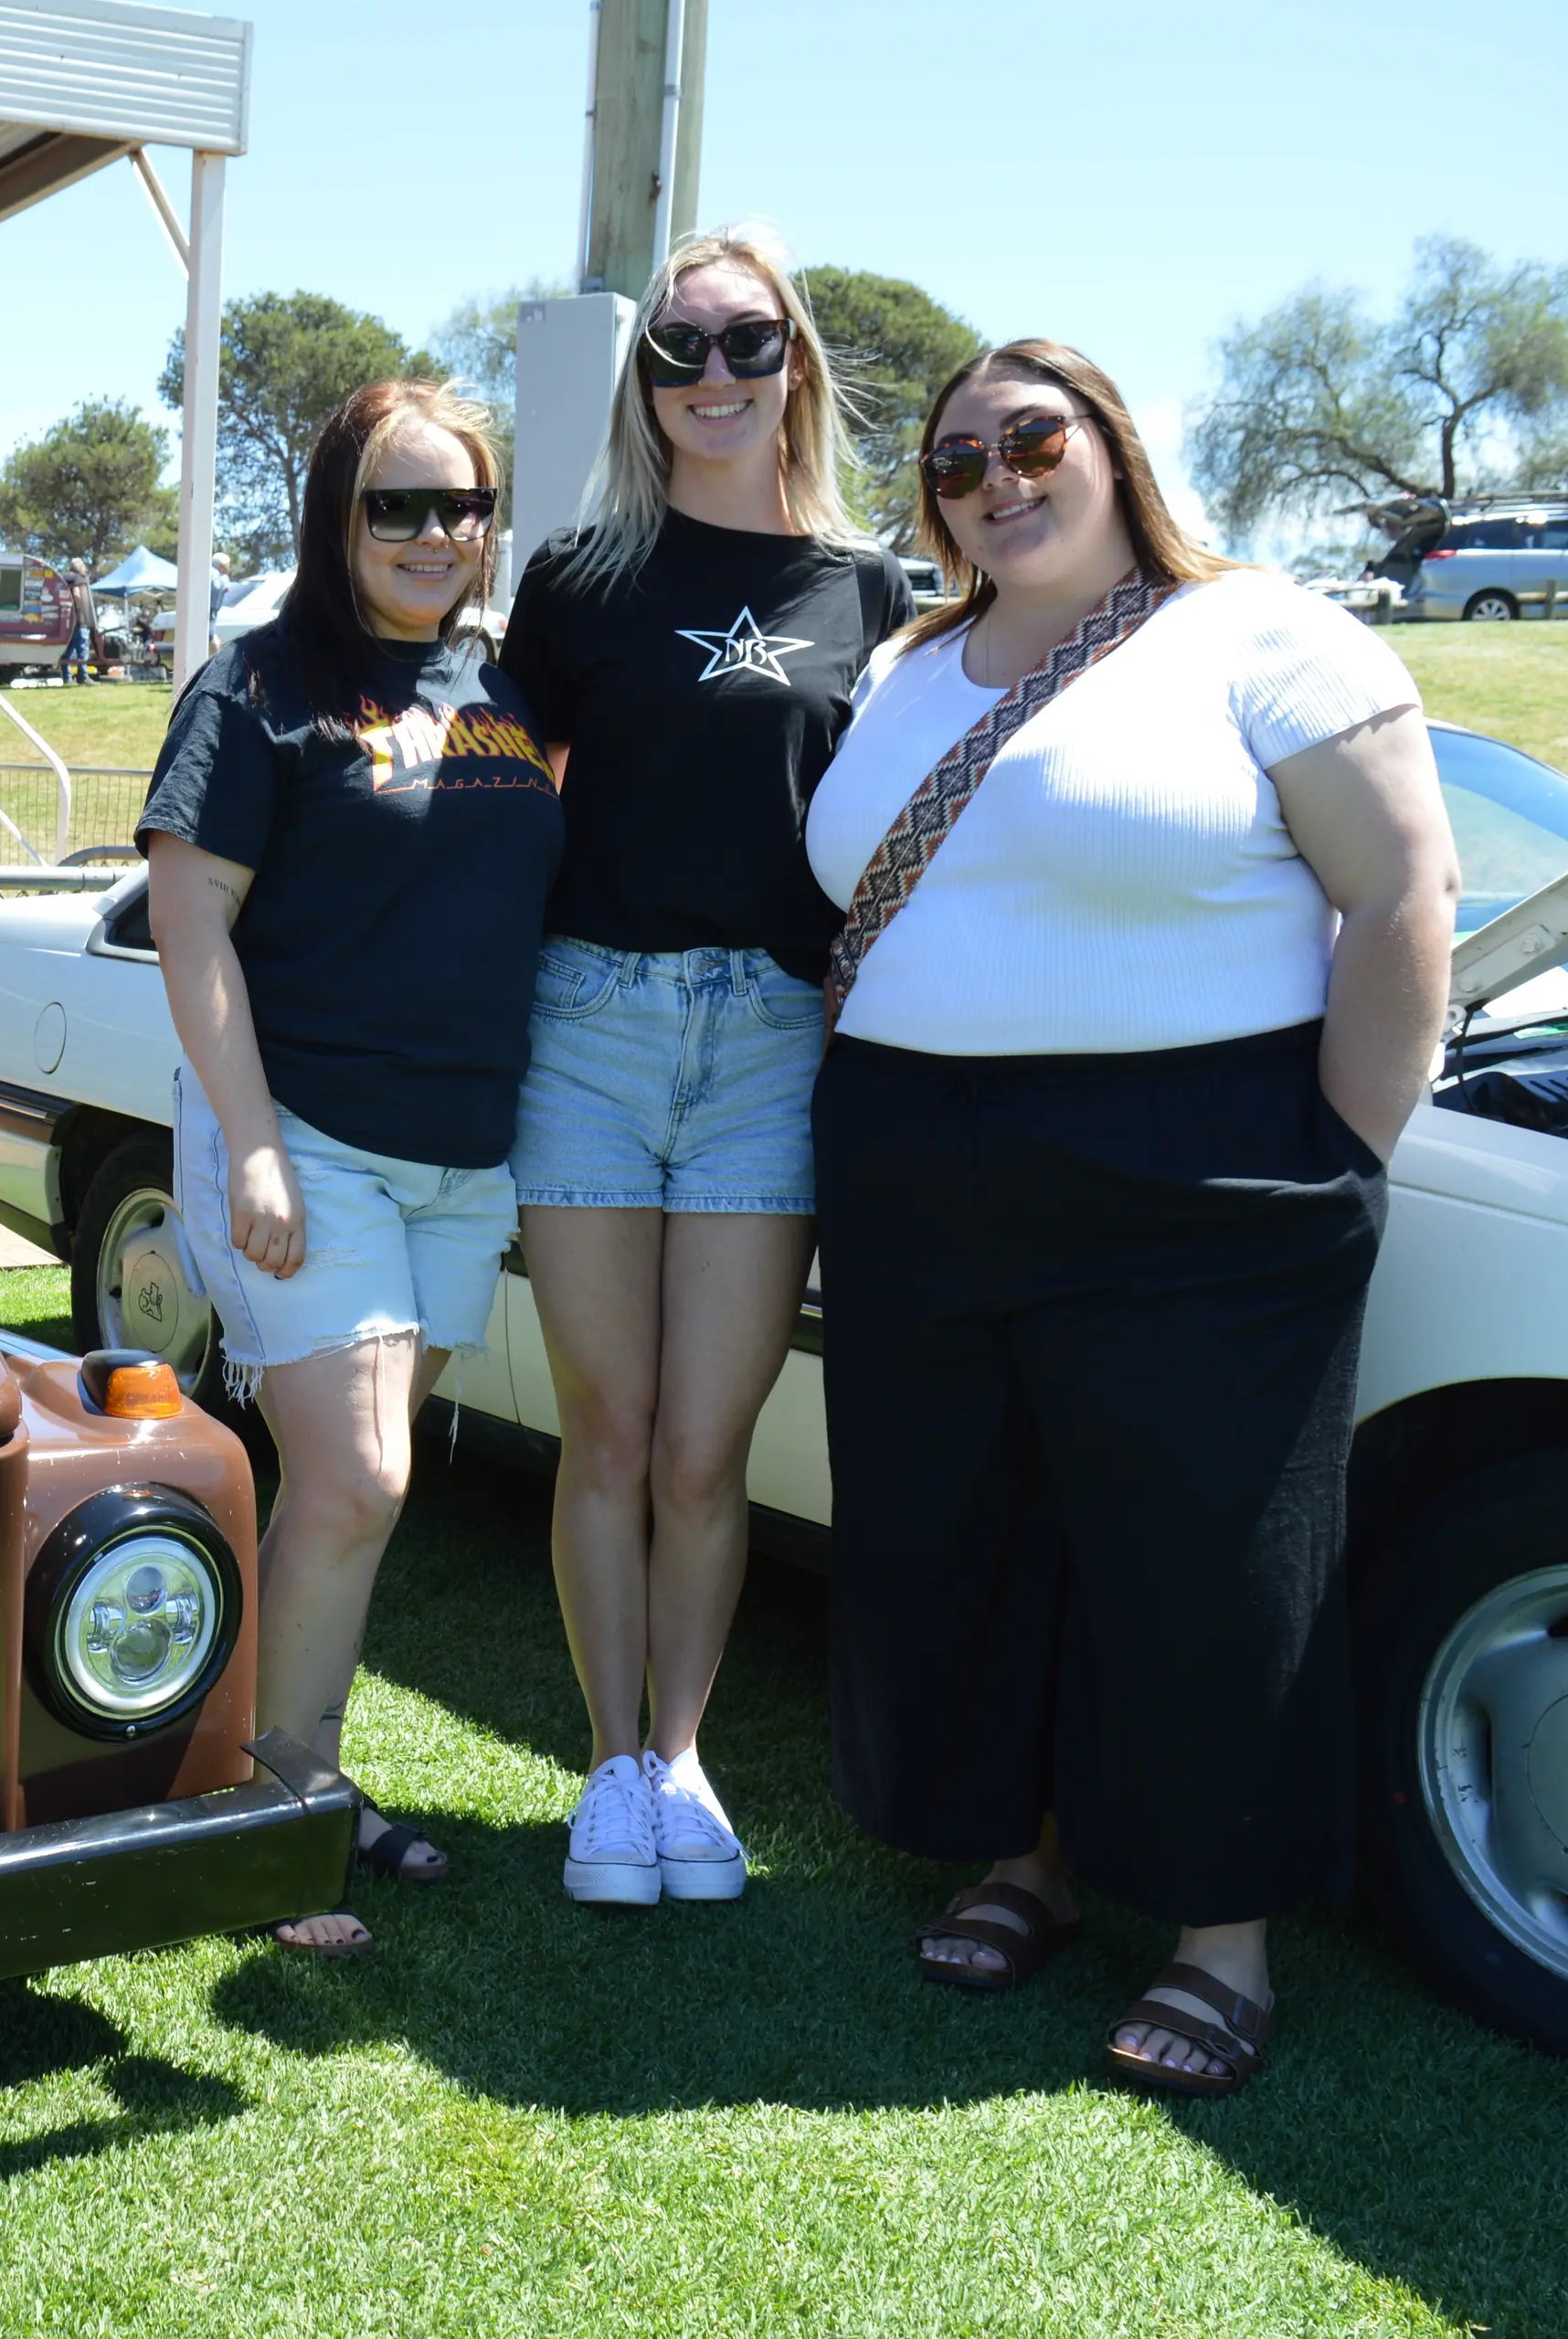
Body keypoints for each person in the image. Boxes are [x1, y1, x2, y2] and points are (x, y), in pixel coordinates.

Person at [801, 339, 1458, 2096]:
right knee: (966, 1527)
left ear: (1114, 448)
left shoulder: (1267, 635)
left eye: (1033, 439)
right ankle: (1029, 1861)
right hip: (908, 1156)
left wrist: (1342, 1155)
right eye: (957, 461)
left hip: (1199, 1164)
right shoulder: (907, 663)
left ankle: (1219, 1936)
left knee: (1201, 1558)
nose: (996, 479)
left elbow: (1404, 896)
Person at [498, 230, 909, 1910]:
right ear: (644, 384)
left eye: (747, 342)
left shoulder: (873, 593)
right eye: (680, 351)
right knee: (607, 1434)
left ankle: (684, 1759)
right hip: (585, 1027)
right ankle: (610, 1769)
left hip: (770, 1043)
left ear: (795, 362)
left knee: (699, 1450)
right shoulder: (581, 575)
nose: (716, 375)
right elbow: (489, 816)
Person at [140, 379, 563, 1955]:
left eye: (462, 504)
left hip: (466, 1157)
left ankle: (289, 1772)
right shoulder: (258, 687)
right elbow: (194, 928)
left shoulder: (504, 690)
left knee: (361, 1494)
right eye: (397, 503)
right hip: (309, 1134)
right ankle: (261, 1799)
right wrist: (251, 1143)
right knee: (359, 1475)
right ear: (335, 515)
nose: (434, 534)